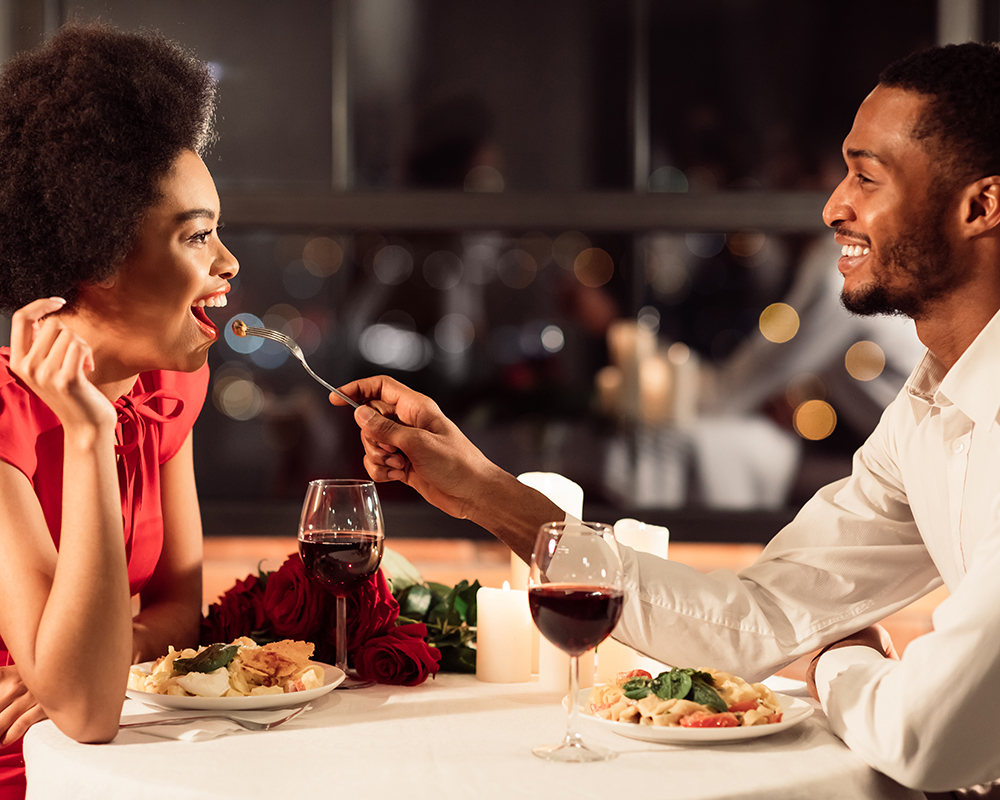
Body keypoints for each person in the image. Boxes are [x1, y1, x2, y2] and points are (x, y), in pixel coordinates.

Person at [332, 41, 1000, 795]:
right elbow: (757, 617)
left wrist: (844, 659)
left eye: (866, 177)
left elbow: (927, 740)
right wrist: (483, 490)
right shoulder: (928, 408)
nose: (833, 205)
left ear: (981, 206)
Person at [0, 24, 237, 797]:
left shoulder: (174, 390)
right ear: (98, 260)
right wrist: (88, 432)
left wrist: (93, 656)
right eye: (197, 236)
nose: (228, 263)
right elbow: (89, 712)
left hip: (118, 747)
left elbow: (179, 609)